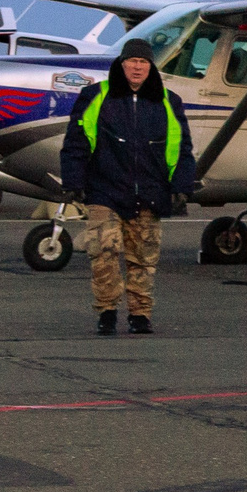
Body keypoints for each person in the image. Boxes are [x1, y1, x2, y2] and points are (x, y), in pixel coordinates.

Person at [59, 37, 197, 336]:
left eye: (143, 62)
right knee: (103, 253)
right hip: (105, 190)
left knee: (144, 259)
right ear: (121, 65)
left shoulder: (168, 101)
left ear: (151, 67)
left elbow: (182, 147)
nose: (137, 67)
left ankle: (140, 315)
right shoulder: (95, 95)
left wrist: (181, 186)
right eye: (132, 61)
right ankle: (107, 312)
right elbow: (76, 141)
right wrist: (73, 180)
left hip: (150, 191)